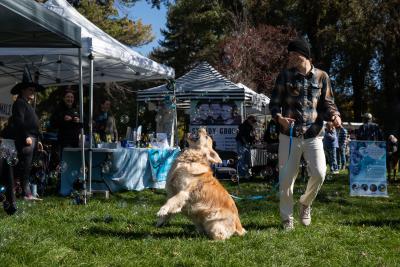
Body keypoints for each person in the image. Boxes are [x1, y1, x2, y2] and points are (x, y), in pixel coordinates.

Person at [269, 38, 341, 230]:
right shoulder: (284, 76)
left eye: (295, 54)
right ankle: (287, 219)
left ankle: (305, 204)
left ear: (306, 55)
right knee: (286, 180)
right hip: (289, 135)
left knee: (320, 173)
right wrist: (279, 118)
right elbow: (274, 103)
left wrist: (334, 115)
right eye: (290, 54)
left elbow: (328, 104)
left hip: (314, 135)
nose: (291, 57)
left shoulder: (322, 76)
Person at [9, 81, 44, 201]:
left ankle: (26, 192)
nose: (33, 91)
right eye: (30, 89)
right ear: (23, 90)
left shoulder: (27, 104)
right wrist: (25, 136)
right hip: (26, 139)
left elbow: (33, 124)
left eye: (34, 90)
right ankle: (25, 193)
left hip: (32, 138)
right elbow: (19, 122)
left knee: (27, 167)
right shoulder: (19, 103)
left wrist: (38, 139)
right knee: (23, 166)